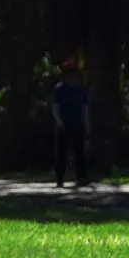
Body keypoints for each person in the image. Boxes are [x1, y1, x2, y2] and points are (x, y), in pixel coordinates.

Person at [51, 58, 90, 187]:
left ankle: (81, 178)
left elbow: (85, 109)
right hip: (64, 124)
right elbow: (55, 107)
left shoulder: (81, 90)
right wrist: (59, 121)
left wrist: (86, 124)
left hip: (78, 123)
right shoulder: (60, 89)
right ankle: (59, 179)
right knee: (61, 153)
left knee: (79, 152)